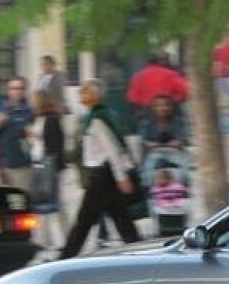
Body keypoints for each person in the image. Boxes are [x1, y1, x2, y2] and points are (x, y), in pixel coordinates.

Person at [57, 79, 141, 259]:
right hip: (104, 174)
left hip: (102, 175)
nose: (81, 92)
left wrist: (121, 177)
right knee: (121, 219)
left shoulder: (98, 119)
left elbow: (112, 149)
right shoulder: (94, 117)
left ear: (94, 95)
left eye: (85, 90)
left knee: (84, 221)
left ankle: (65, 257)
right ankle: (139, 250)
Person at [30, 90, 70, 250]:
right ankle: (44, 238)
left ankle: (66, 237)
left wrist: (54, 165)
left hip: (49, 164)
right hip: (39, 162)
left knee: (55, 202)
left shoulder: (52, 120)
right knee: (43, 201)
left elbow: (56, 144)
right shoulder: (39, 119)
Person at [0, 76, 35, 191]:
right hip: (5, 165)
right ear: (8, 90)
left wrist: (29, 132)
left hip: (23, 164)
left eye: (20, 88)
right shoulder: (2, 109)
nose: (17, 91)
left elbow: (34, 135)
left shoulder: (29, 111)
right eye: (14, 88)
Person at [127, 51, 189, 117]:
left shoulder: (138, 76)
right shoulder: (171, 74)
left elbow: (132, 98)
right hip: (170, 111)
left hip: (148, 112)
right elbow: (185, 91)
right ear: (163, 61)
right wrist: (173, 101)